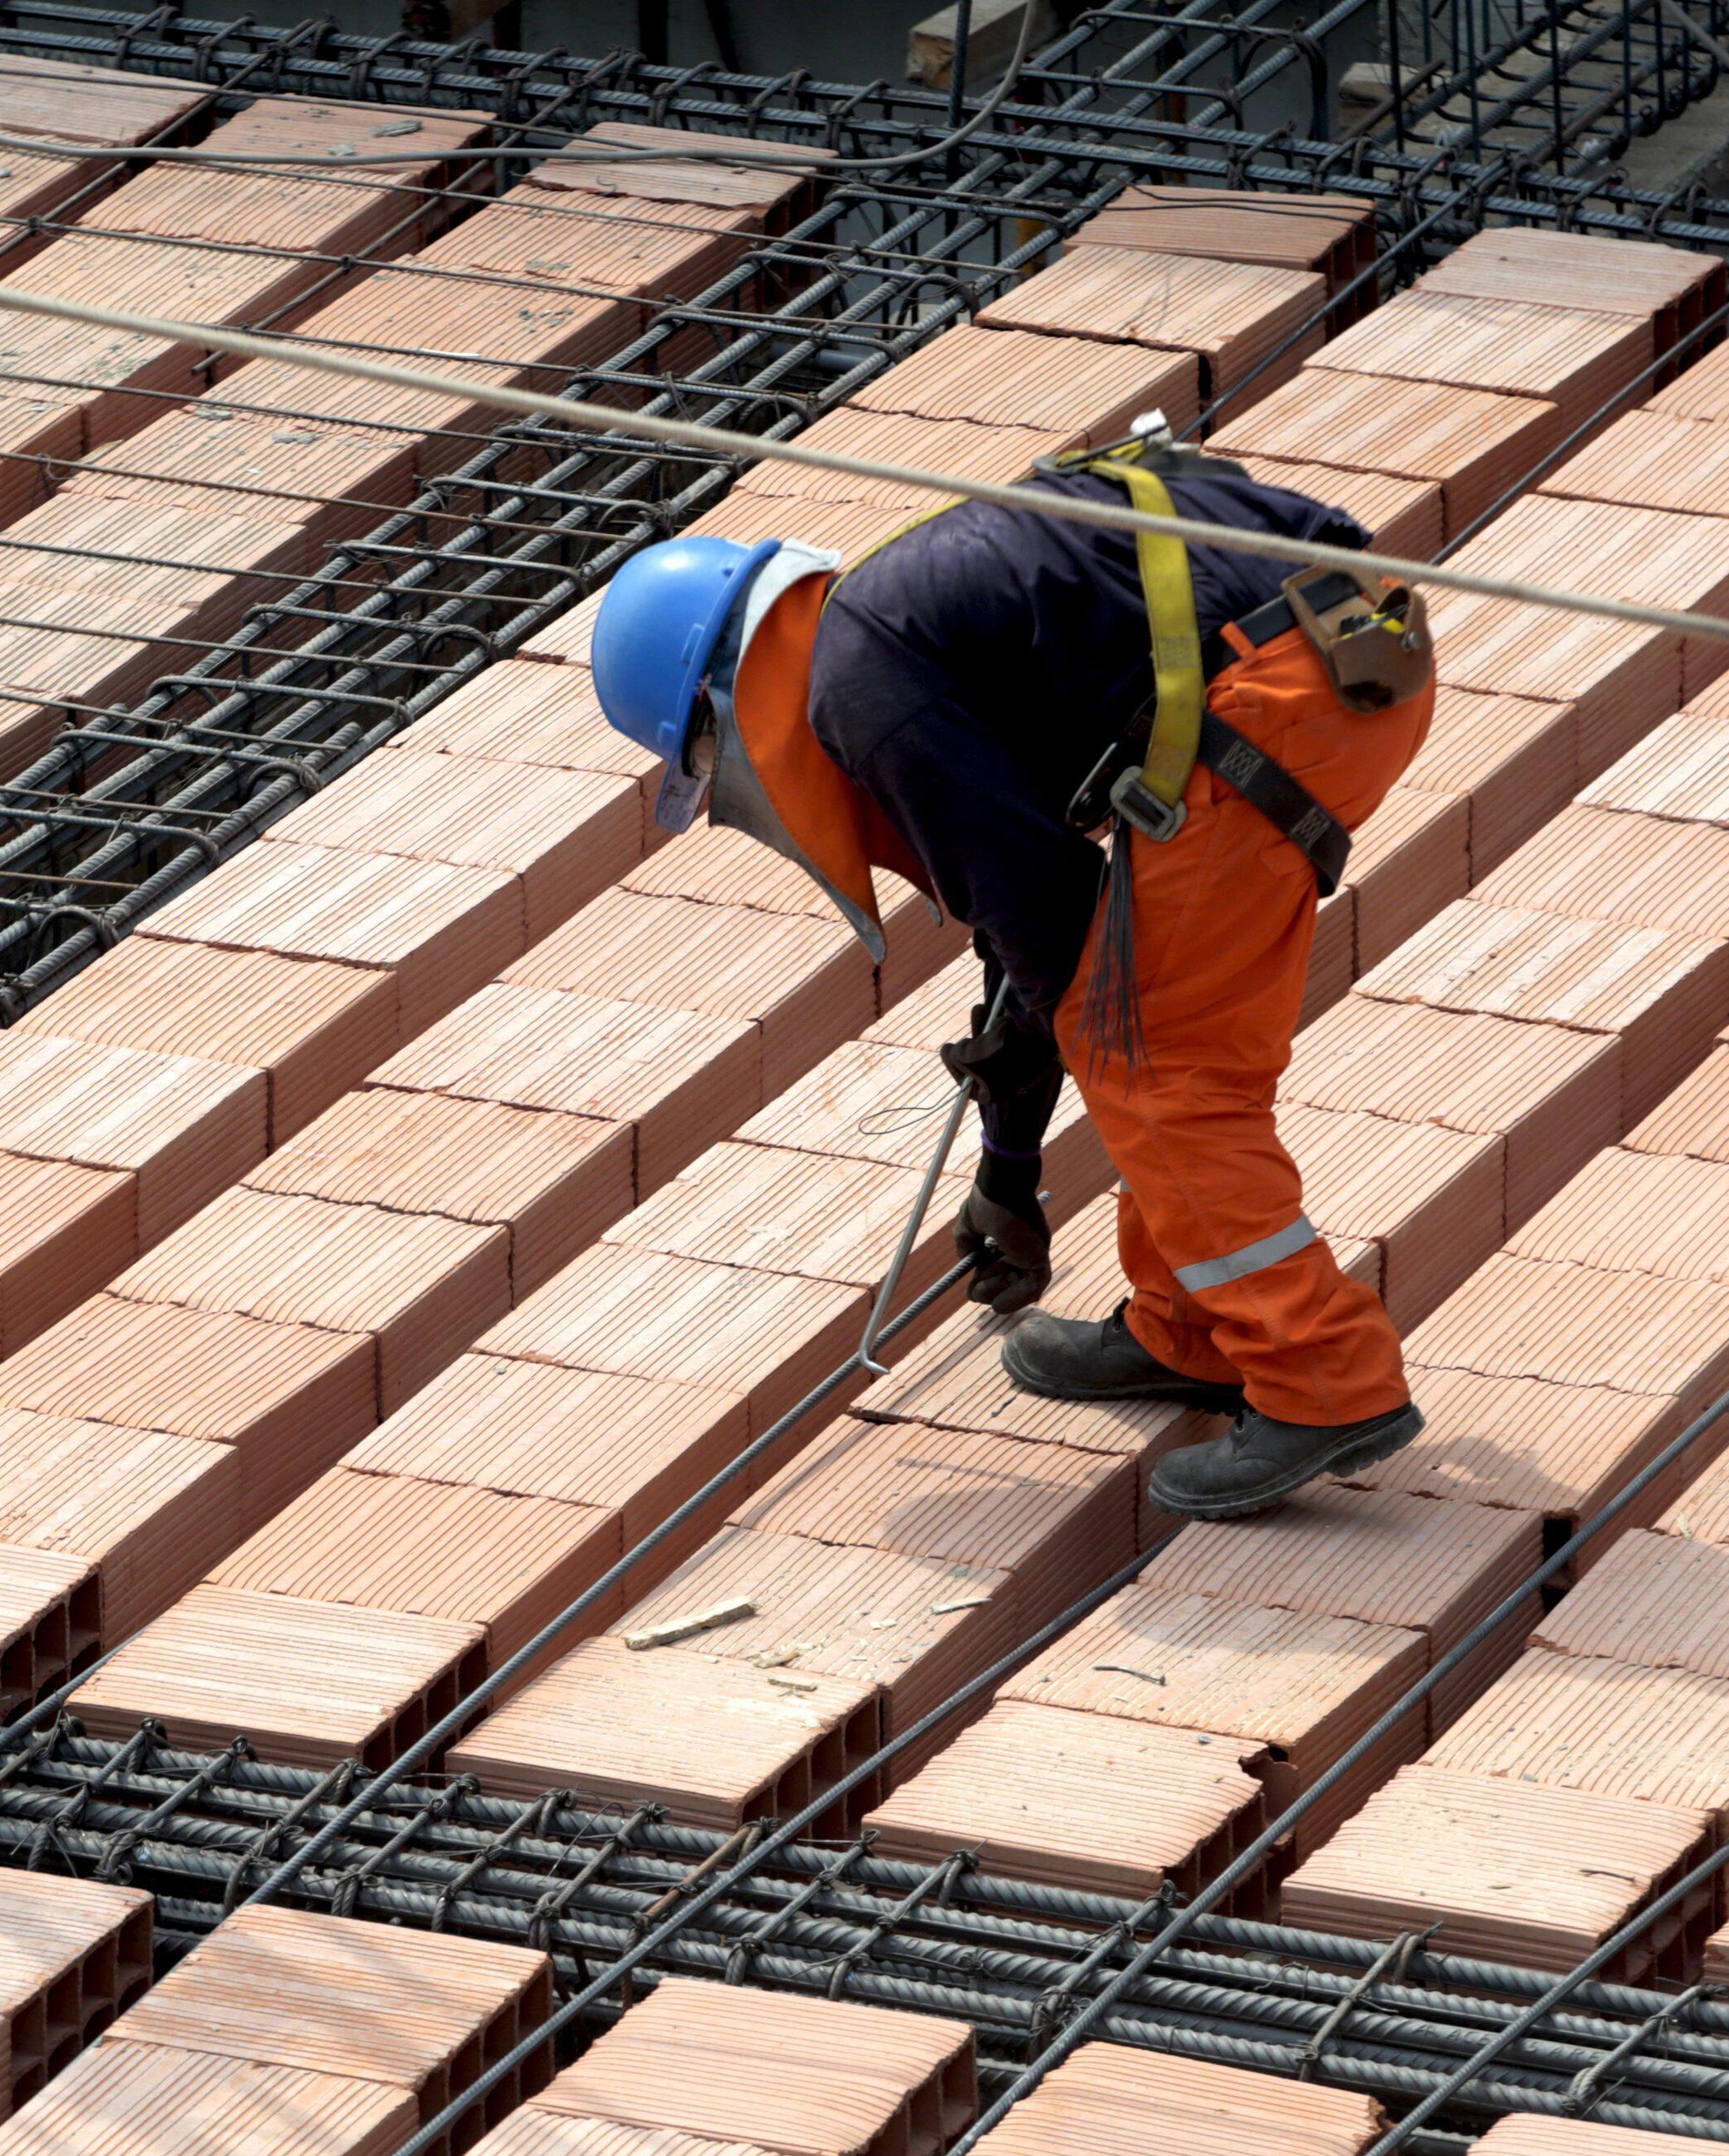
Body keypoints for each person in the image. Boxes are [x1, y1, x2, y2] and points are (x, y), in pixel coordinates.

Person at [586, 428, 1436, 1518]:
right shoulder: (882, 622)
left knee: (1155, 1058)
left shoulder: (860, 684)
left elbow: (1042, 910)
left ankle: (1324, 1379)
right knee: (1166, 1036)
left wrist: (1012, 1166)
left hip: (1272, 702)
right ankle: (1193, 1328)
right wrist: (1009, 1159)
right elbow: (1020, 908)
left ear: (717, 705)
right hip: (1339, 655)